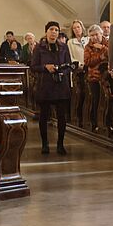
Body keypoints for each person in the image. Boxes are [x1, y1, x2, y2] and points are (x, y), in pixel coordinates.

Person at [31, 21, 72, 155]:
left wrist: (62, 71)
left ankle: (60, 144)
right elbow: (33, 66)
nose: (54, 32)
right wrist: (45, 67)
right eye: (51, 29)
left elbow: (69, 65)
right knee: (44, 115)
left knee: (61, 116)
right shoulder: (39, 47)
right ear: (46, 32)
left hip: (60, 85)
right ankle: (45, 144)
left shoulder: (63, 47)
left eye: (56, 30)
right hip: (46, 84)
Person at [83, 24, 108, 130]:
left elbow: (111, 54)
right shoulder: (88, 47)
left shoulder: (107, 43)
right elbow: (87, 61)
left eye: (96, 34)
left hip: (107, 76)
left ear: (101, 34)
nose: (94, 37)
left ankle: (107, 122)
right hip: (94, 76)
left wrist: (102, 48)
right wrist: (100, 57)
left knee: (108, 100)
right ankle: (95, 123)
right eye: (92, 35)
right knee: (96, 100)